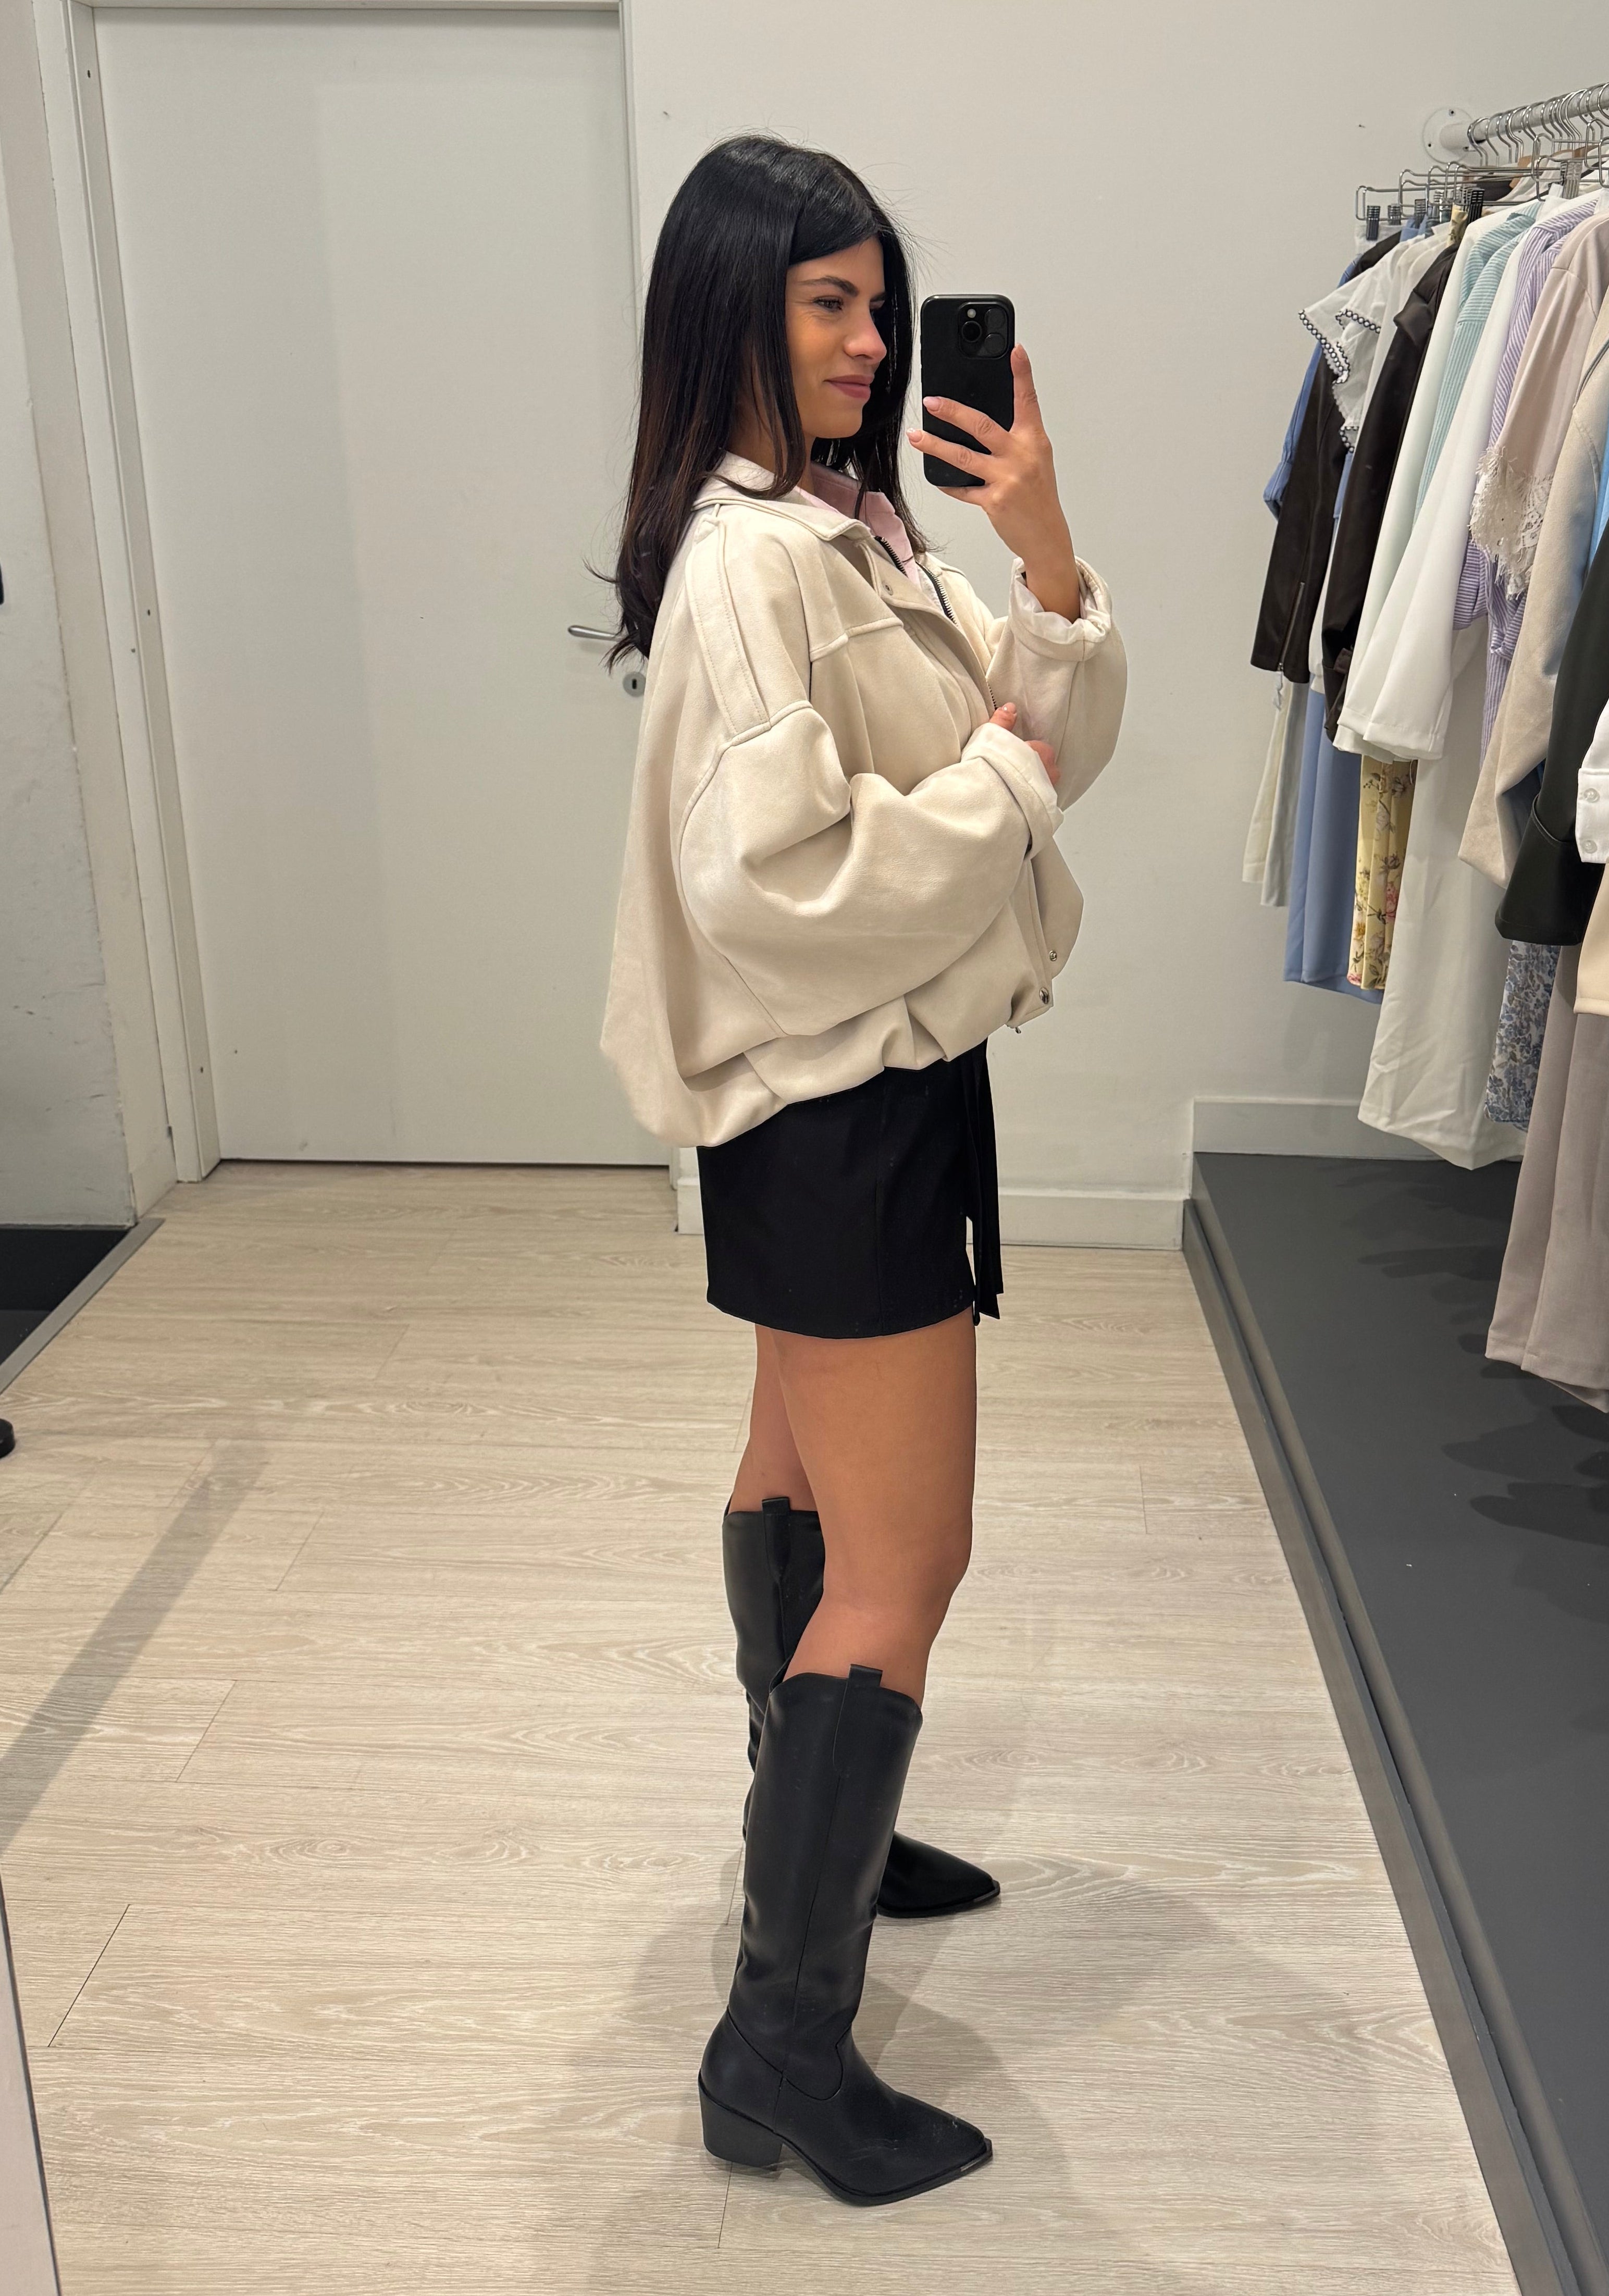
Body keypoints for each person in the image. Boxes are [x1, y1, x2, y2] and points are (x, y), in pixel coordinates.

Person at [601, 134, 1125, 2205]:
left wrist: (1045, 557)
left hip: (831, 1102)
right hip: (844, 1103)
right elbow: (787, 888)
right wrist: (1000, 776)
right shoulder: (757, 568)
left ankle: (818, 1820)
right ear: (731, 308)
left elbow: (1045, 739)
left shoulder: (839, 524)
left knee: (803, 1476)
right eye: (826, 301)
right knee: (907, 1568)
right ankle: (780, 2048)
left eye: (879, 304)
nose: (870, 341)